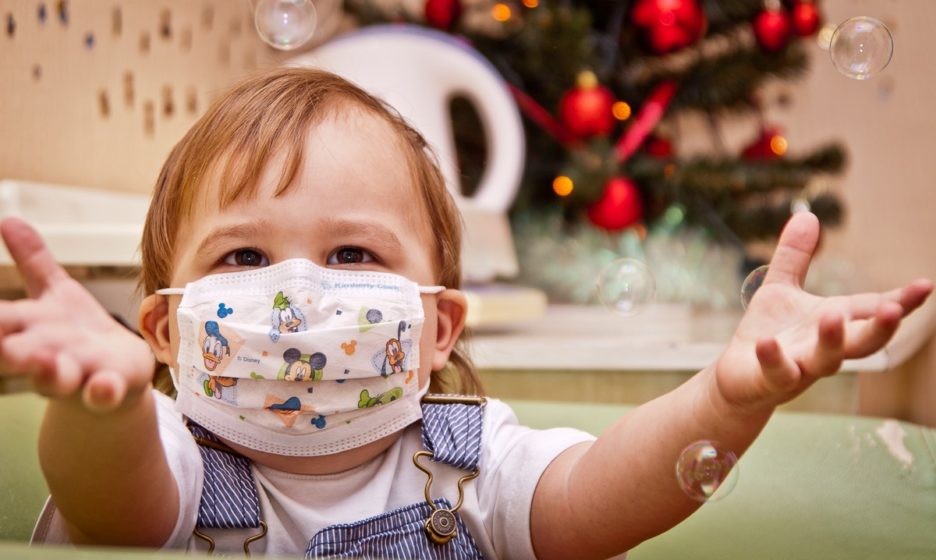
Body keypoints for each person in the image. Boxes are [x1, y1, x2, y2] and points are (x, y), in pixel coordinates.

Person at [2, 67, 930, 559]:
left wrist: (728, 399)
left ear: (438, 328)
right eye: (243, 256)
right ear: (164, 330)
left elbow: (601, 501)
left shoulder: (475, 465)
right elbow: (112, 508)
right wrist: (101, 407)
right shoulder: (167, 454)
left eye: (353, 254)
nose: (300, 297)